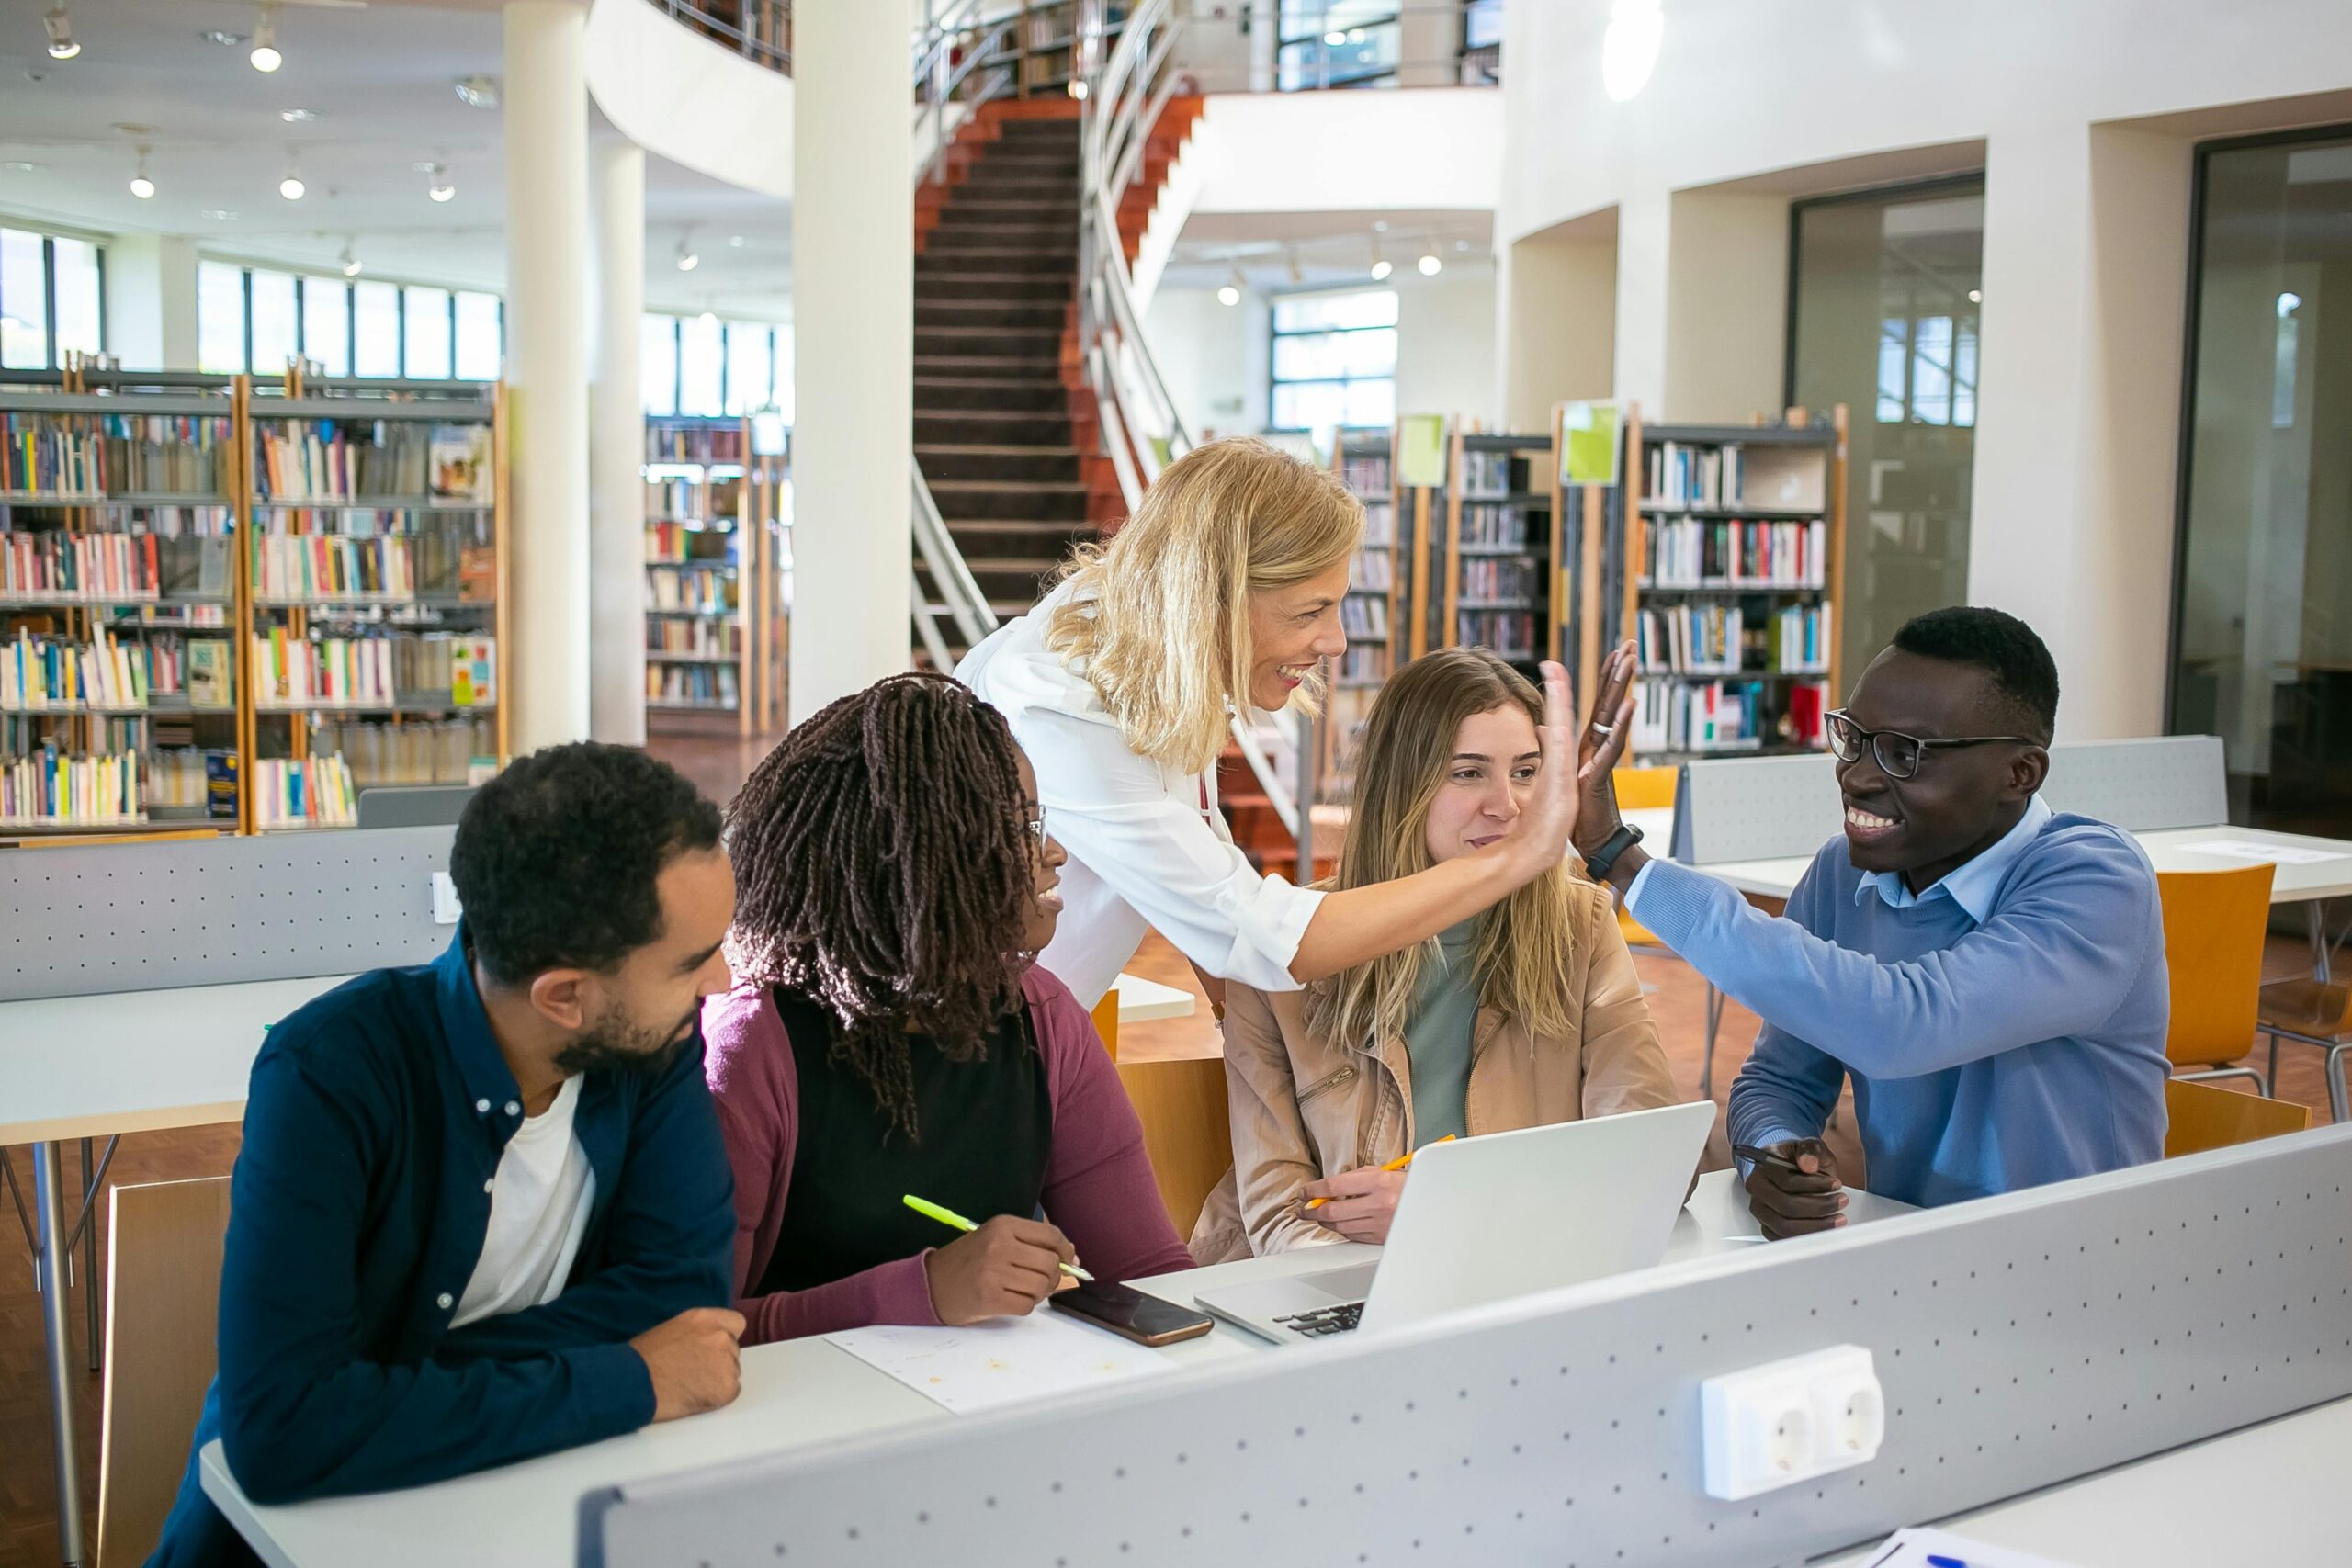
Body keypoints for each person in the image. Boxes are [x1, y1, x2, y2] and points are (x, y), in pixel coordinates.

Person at [150, 745, 745, 1568]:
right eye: (692, 960)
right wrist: (628, 1379)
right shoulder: (329, 1072)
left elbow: (686, 1299)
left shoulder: (655, 1041)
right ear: (564, 996)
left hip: (531, 1513)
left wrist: (381, 1386)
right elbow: (283, 1431)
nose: (721, 979)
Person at [1571, 606, 2169, 1237]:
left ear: (2019, 774)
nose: (1855, 776)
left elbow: (1900, 1022)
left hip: (2083, 1273)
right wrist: (1775, 1154)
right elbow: (1778, 1079)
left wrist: (1626, 860)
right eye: (1853, 737)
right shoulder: (1842, 875)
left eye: (1903, 753)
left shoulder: (2096, 880)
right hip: (1908, 1260)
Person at [956, 436, 1589, 1014]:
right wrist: (1518, 858)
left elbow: (1206, 875)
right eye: (1310, 611)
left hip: (1028, 1026)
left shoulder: (1152, 647)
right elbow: (1244, 930)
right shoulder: (1058, 707)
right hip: (961, 1046)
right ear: (1212, 601)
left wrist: (1258, 1057)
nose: (1336, 642)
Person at [703, 672, 1196, 1343]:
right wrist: (924, 1290)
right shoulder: (753, 1050)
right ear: (920, 856)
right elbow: (694, 1335)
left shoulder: (1044, 1019)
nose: (1053, 853)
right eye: (1021, 825)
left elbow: (1152, 1276)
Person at [1193, 648, 1685, 1259]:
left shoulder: (1578, 926)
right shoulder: (1279, 947)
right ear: (1403, 785)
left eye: (1527, 772)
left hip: (1512, 1269)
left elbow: (1651, 1157)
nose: (1505, 805)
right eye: (1469, 772)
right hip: (1331, 1290)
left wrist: (1444, 1210)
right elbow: (1276, 1216)